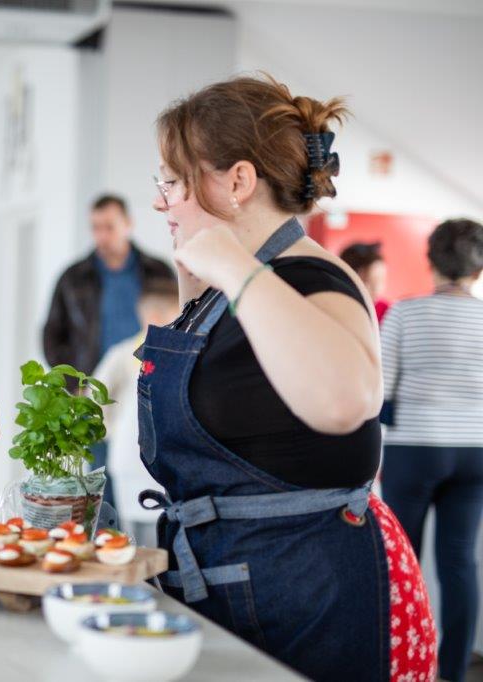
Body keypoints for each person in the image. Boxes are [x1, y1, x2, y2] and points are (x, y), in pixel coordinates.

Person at [140, 74, 436, 680]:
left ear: (238, 182)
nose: (160, 202)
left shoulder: (308, 277)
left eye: (172, 182)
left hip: (310, 596)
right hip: (248, 581)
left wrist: (234, 269)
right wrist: (199, 291)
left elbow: (346, 401)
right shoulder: (242, 281)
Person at [380, 218, 483, 682]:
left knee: (405, 565)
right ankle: (455, 673)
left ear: (432, 262)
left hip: (415, 448)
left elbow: (381, 391)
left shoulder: (406, 313)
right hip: (476, 450)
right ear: (478, 269)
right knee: (459, 562)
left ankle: (405, 667)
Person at [43, 195, 173, 510]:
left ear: (128, 225)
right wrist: (74, 386)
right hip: (97, 390)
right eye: (95, 227)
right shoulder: (73, 277)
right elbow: (52, 335)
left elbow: (178, 321)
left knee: (152, 472)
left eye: (109, 227)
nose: (101, 235)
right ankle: (107, 535)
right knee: (102, 479)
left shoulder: (157, 271)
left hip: (147, 385)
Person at [92, 276, 179, 545]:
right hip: (131, 461)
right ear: (154, 317)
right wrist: (112, 429)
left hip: (166, 463)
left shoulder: (178, 353)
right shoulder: (124, 354)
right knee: (137, 537)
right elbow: (95, 396)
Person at [340, 241, 390, 321]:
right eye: (369, 282)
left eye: (380, 280)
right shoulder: (338, 307)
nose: (377, 289)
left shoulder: (387, 312)